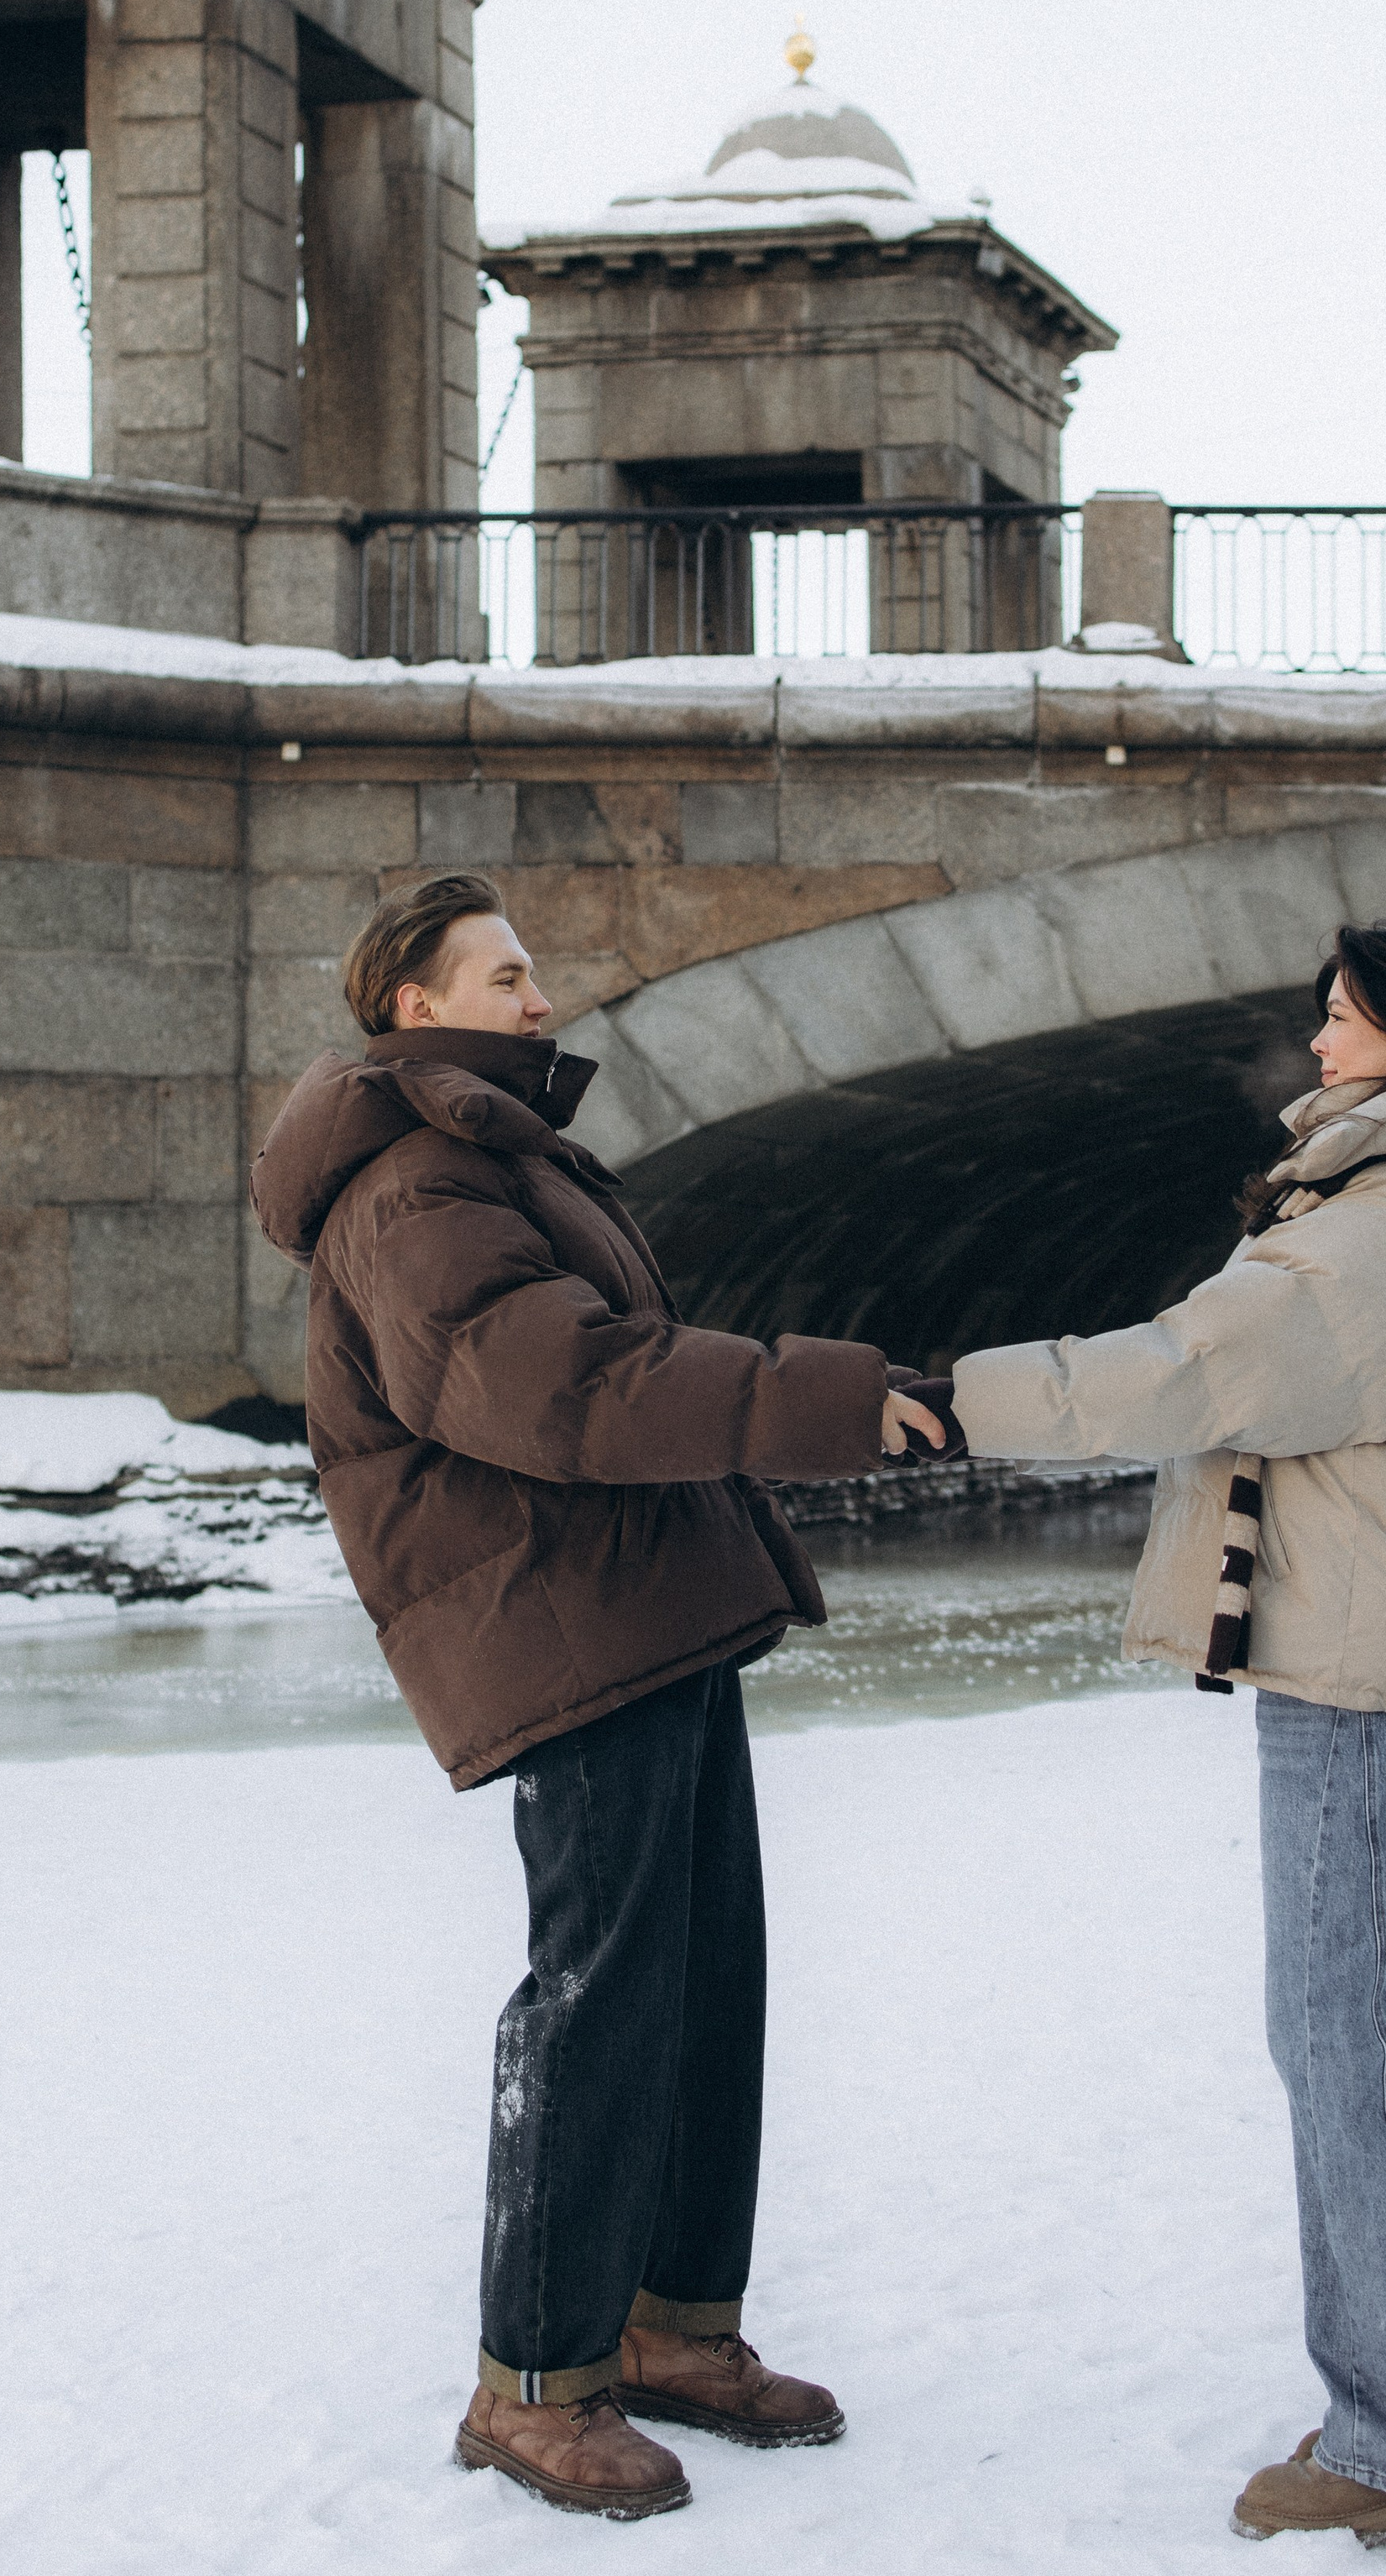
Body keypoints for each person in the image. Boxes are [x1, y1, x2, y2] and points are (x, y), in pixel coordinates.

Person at [251, 873, 944, 2523]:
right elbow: (565, 1387)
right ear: (413, 1006)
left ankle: (670, 2332)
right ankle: (533, 2384)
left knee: (701, 1983)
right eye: (504, 972)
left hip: (643, 1606)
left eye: (532, 968)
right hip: (553, 1620)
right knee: (599, 1999)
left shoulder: (495, 1161)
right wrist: (828, 1394)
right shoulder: (416, 1190)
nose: (539, 994)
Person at [947, 921, 1386, 2547]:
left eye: (1339, 1018)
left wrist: (947, 1396)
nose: (1314, 1046)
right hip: (1380, 1641)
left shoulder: (1382, 1227)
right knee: (1380, 2033)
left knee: (1348, 2045)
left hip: (1362, 1664)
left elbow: (1189, 1373)